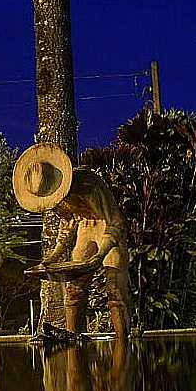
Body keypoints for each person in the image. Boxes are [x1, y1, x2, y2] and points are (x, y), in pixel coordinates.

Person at [13, 143, 130, 338]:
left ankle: (123, 345)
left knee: (115, 287)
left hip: (106, 227)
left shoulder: (89, 183)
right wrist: (53, 256)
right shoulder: (54, 198)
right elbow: (67, 225)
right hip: (85, 230)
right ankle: (73, 340)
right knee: (74, 287)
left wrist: (101, 254)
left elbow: (116, 222)